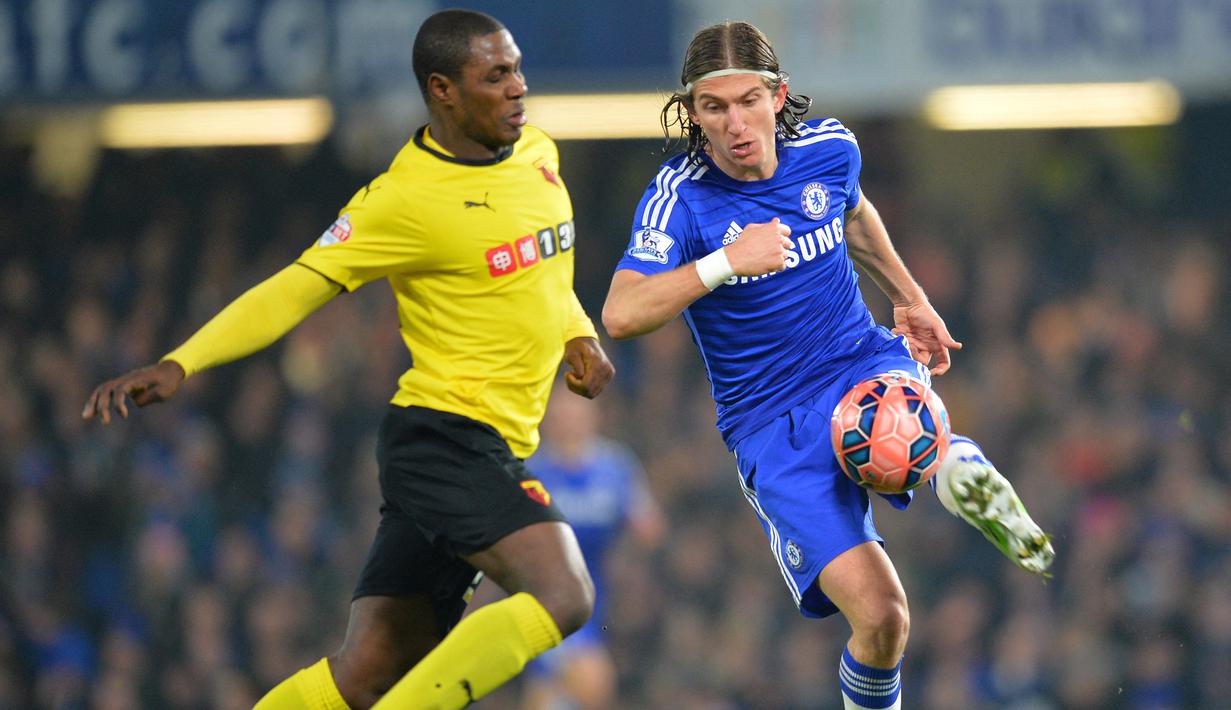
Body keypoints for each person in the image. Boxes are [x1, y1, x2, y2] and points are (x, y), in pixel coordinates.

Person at [82, 9, 615, 710]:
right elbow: (296, 286)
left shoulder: (539, 152)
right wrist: (183, 362)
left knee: (365, 673)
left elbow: (544, 275)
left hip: (488, 445)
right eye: (496, 75)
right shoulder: (405, 198)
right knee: (563, 593)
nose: (519, 87)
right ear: (443, 89)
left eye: (516, 68)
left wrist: (578, 335)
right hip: (445, 440)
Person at [601, 21, 1054, 710]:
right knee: (882, 620)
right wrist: (726, 261)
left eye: (748, 100)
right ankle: (950, 461)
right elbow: (620, 313)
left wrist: (910, 297)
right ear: (693, 113)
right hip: (769, 428)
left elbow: (854, 213)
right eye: (714, 108)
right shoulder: (679, 197)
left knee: (895, 417)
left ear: (778, 96)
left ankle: (955, 465)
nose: (735, 123)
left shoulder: (828, 148)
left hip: (856, 360)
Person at [519, 379, 665, 710]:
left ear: (594, 416)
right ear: (548, 418)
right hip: (548, 599)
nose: (570, 420)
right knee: (588, 682)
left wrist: (631, 558)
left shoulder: (616, 467)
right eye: (562, 412)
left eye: (577, 411)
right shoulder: (533, 472)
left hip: (599, 599)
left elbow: (649, 528)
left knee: (558, 694)